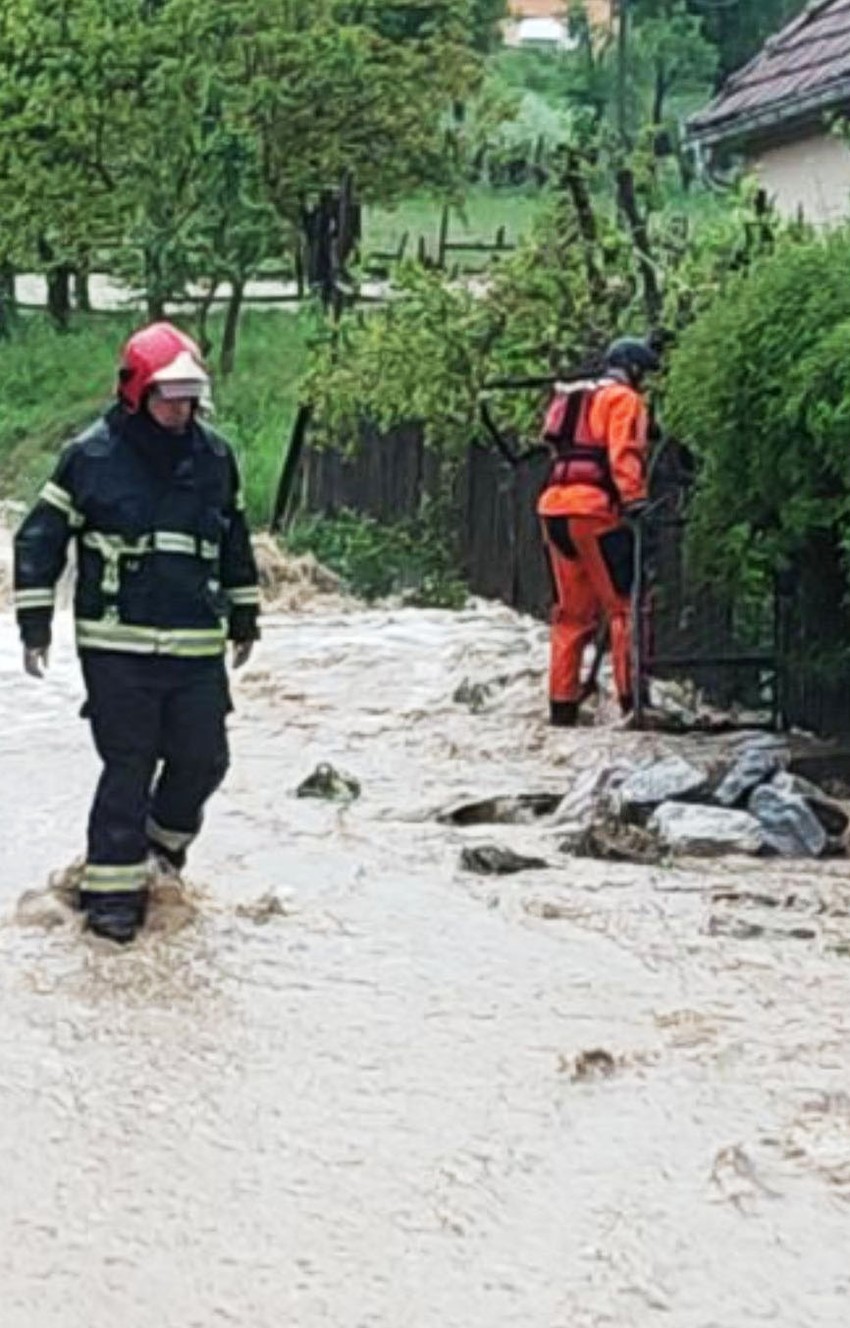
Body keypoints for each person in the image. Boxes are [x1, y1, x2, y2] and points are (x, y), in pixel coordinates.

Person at [14, 322, 260, 943]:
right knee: (128, 764)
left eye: (189, 398)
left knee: (203, 759)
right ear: (136, 392)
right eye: (169, 397)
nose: (182, 409)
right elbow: (39, 538)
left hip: (195, 645)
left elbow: (233, 539)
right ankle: (112, 906)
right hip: (117, 646)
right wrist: (34, 625)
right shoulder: (90, 457)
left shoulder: (214, 457)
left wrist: (245, 614)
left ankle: (156, 853)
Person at [537, 335, 659, 727]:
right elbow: (624, 452)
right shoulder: (624, 400)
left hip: (554, 508)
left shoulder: (573, 397)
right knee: (623, 607)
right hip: (595, 512)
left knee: (571, 616)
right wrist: (634, 498)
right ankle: (631, 705)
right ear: (634, 370)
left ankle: (562, 707)